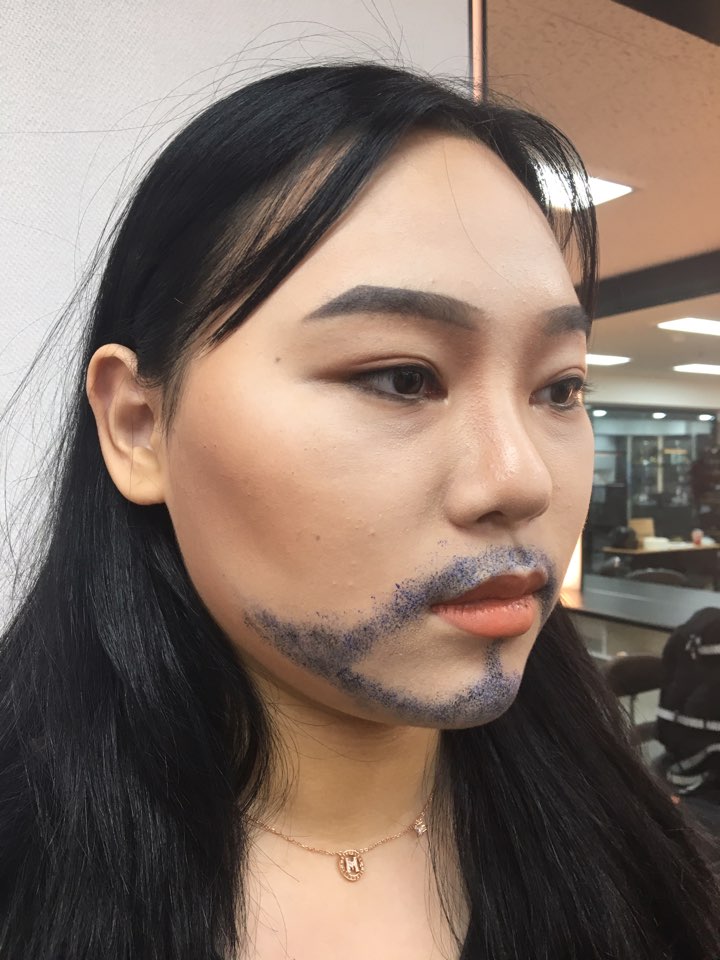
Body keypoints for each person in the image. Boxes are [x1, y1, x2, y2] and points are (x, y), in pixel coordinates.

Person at [1, 61, 718, 960]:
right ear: (138, 426)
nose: (522, 480)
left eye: (560, 388)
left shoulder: (641, 846)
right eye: (401, 377)